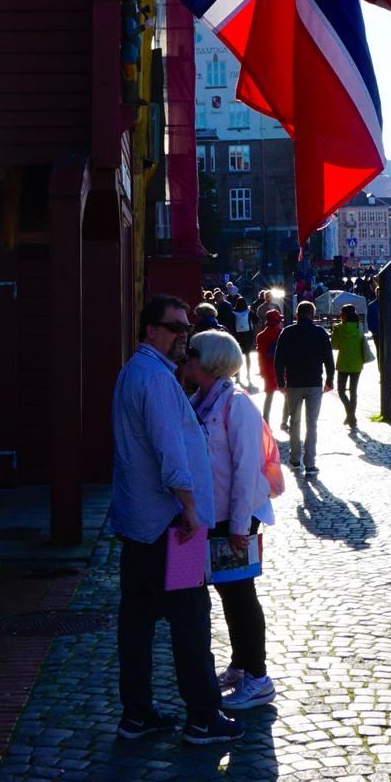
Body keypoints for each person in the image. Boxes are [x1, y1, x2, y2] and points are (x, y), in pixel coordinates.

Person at [110, 294, 242, 747]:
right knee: (190, 620)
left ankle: (137, 713)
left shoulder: (134, 373)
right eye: (174, 327)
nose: (182, 335)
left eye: (186, 329)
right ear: (151, 330)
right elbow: (171, 454)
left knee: (137, 623)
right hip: (173, 527)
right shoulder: (158, 383)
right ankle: (203, 717)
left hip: (138, 524)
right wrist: (190, 510)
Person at [184, 329, 277, 710]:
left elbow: (246, 469)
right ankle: (241, 664)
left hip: (235, 516)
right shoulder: (201, 399)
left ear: (210, 361)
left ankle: (258, 676)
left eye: (193, 353)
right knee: (226, 592)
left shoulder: (236, 404)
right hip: (212, 514)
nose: (186, 358)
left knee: (240, 595)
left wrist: (239, 526)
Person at [273, 300, 335, 474]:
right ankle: (310, 462)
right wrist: (330, 380)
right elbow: (329, 359)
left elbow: (279, 359)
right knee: (312, 423)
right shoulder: (320, 332)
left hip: (293, 383)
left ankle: (294, 459)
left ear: (297, 315)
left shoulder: (287, 332)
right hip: (314, 382)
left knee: (294, 421)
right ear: (312, 315)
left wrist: (280, 382)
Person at [331, 302, 366, 433]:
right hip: (357, 363)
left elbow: (334, 346)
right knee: (353, 391)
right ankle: (352, 417)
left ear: (344, 315)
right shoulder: (359, 326)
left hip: (343, 363)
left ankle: (351, 415)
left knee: (341, 391)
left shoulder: (338, 328)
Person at [256, 304, 284, 426]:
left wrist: (261, 371)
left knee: (269, 396)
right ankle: (284, 421)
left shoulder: (260, 336)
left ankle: (266, 420)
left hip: (267, 369)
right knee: (286, 395)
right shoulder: (283, 333)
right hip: (282, 369)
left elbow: (260, 356)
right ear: (278, 321)